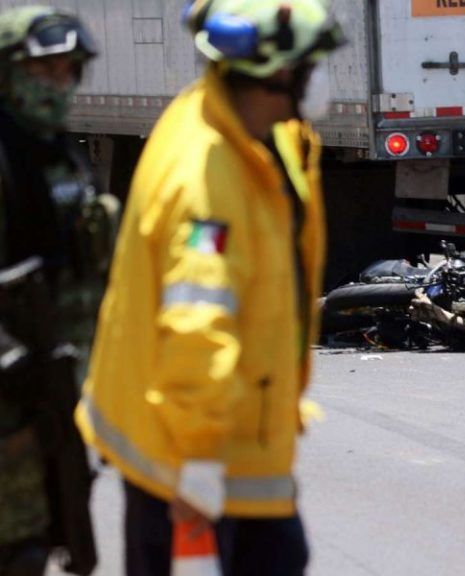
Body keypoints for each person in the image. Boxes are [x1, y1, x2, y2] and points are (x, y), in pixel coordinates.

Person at [75, 1, 344, 574]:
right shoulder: (207, 179)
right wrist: (196, 465)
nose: (323, 76)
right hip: (193, 457)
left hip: (231, 441)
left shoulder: (245, 130)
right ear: (276, 73)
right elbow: (198, 320)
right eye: (314, 62)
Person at [0, 6, 103, 576]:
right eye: (45, 72)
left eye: (68, 72)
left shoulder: (61, 158)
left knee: (40, 543)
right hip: (13, 395)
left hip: (48, 403)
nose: (58, 86)